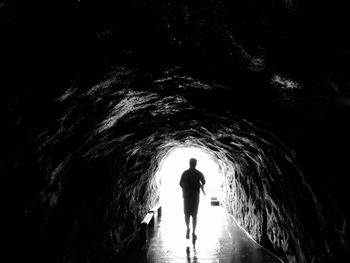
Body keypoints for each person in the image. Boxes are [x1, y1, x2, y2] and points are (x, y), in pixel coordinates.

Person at [179, 158, 206, 240]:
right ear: (195, 164)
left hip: (187, 196)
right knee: (194, 215)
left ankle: (187, 228)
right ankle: (194, 232)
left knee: (186, 214)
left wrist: (185, 189)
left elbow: (180, 183)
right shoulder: (198, 173)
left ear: (189, 163)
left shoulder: (185, 173)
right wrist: (200, 186)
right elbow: (204, 181)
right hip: (195, 197)